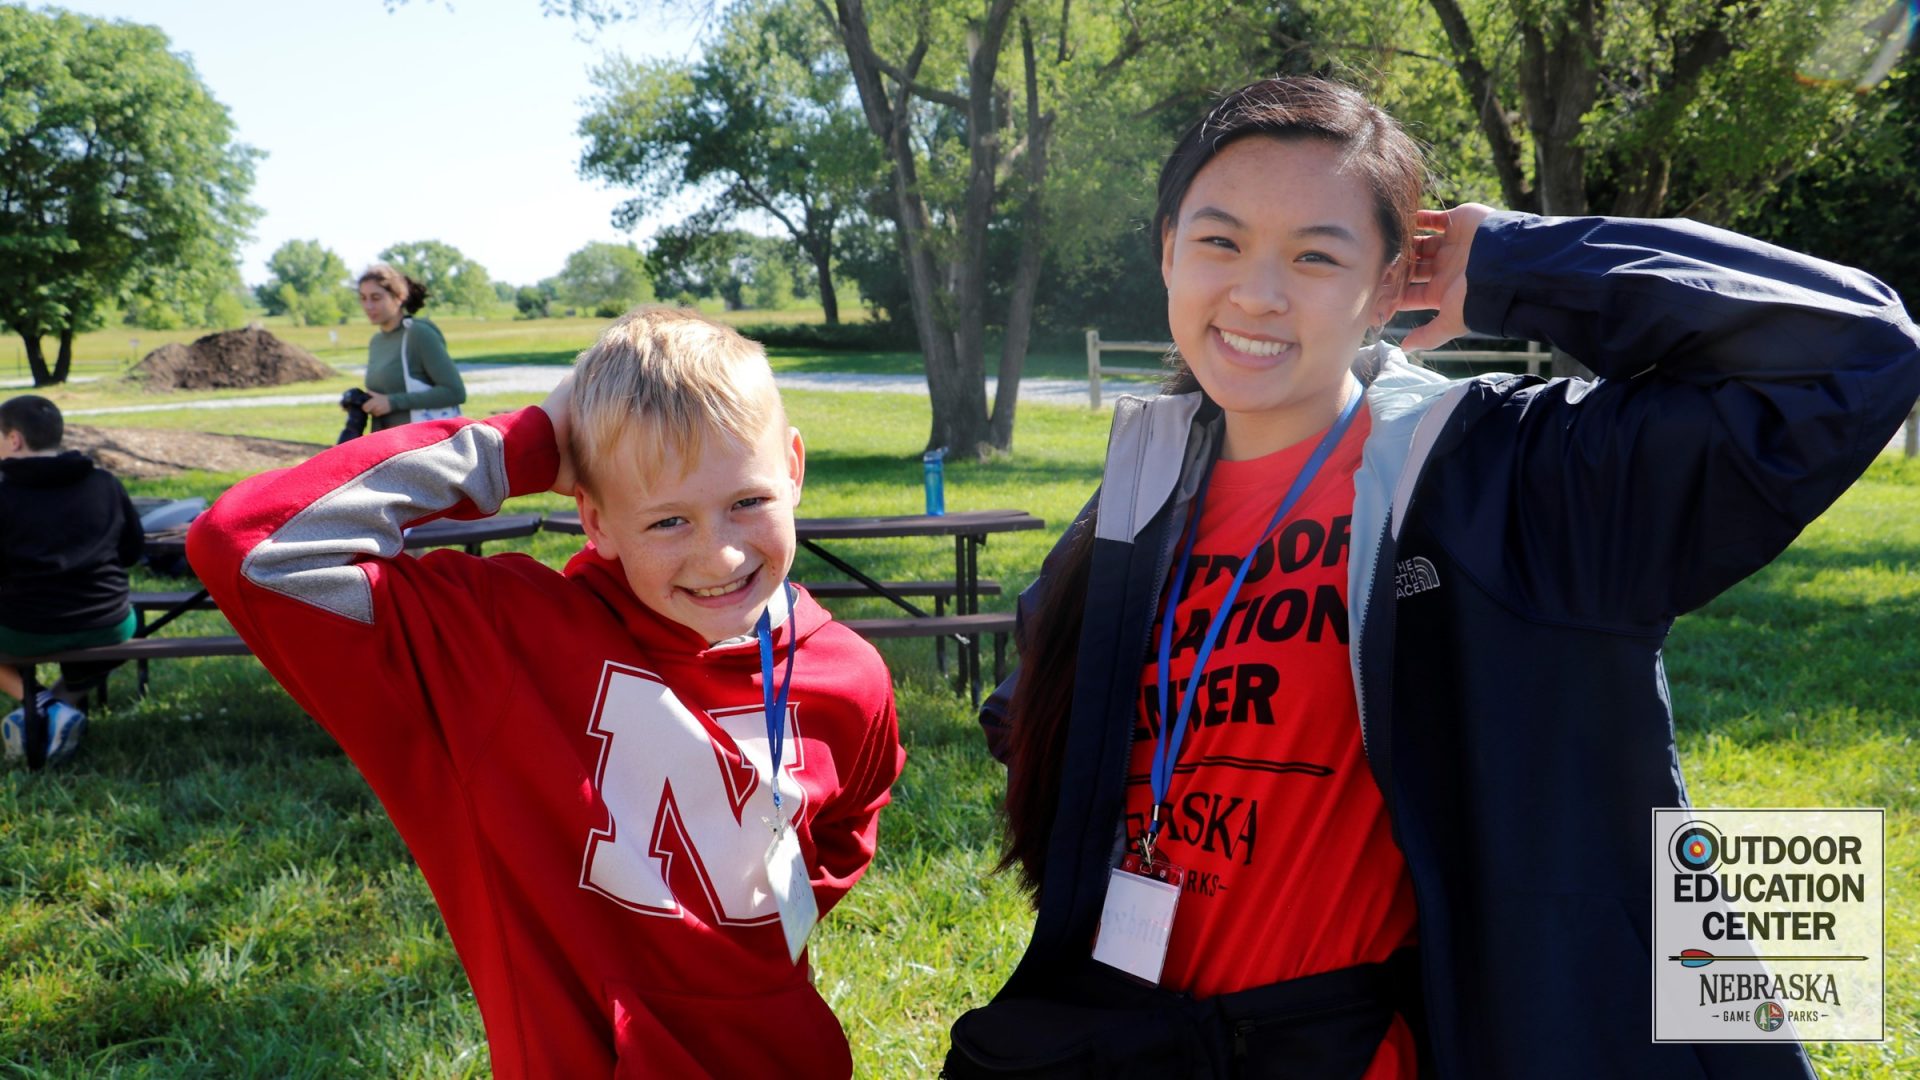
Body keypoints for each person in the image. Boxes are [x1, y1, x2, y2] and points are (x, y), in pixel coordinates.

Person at [953, 77, 1920, 1079]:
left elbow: (1849, 356)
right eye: (1220, 241)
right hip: (1139, 1041)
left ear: (1388, 285)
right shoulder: (1143, 488)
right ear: (1166, 251)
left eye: (1317, 255)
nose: (1258, 293)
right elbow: (1043, 716)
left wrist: (1510, 261)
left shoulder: (1507, 480)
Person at [188, 308, 905, 1078]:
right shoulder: (500, 643)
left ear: (792, 467)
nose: (721, 552)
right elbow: (251, 544)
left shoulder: (849, 675)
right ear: (593, 517)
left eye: (748, 502)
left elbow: (835, 844)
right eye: (667, 520)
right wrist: (521, 443)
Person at [0, 395, 144, 767]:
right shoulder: (105, 484)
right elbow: (131, 552)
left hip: (27, 627)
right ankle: (64, 704)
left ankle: (41, 705)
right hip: (111, 624)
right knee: (129, 622)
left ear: (14, 440)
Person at [355, 262, 466, 431]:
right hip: (387, 445)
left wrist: (393, 402)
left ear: (399, 297)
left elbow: (454, 391)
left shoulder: (418, 333)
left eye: (376, 298)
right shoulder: (376, 341)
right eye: (363, 298)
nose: (368, 306)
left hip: (421, 445)